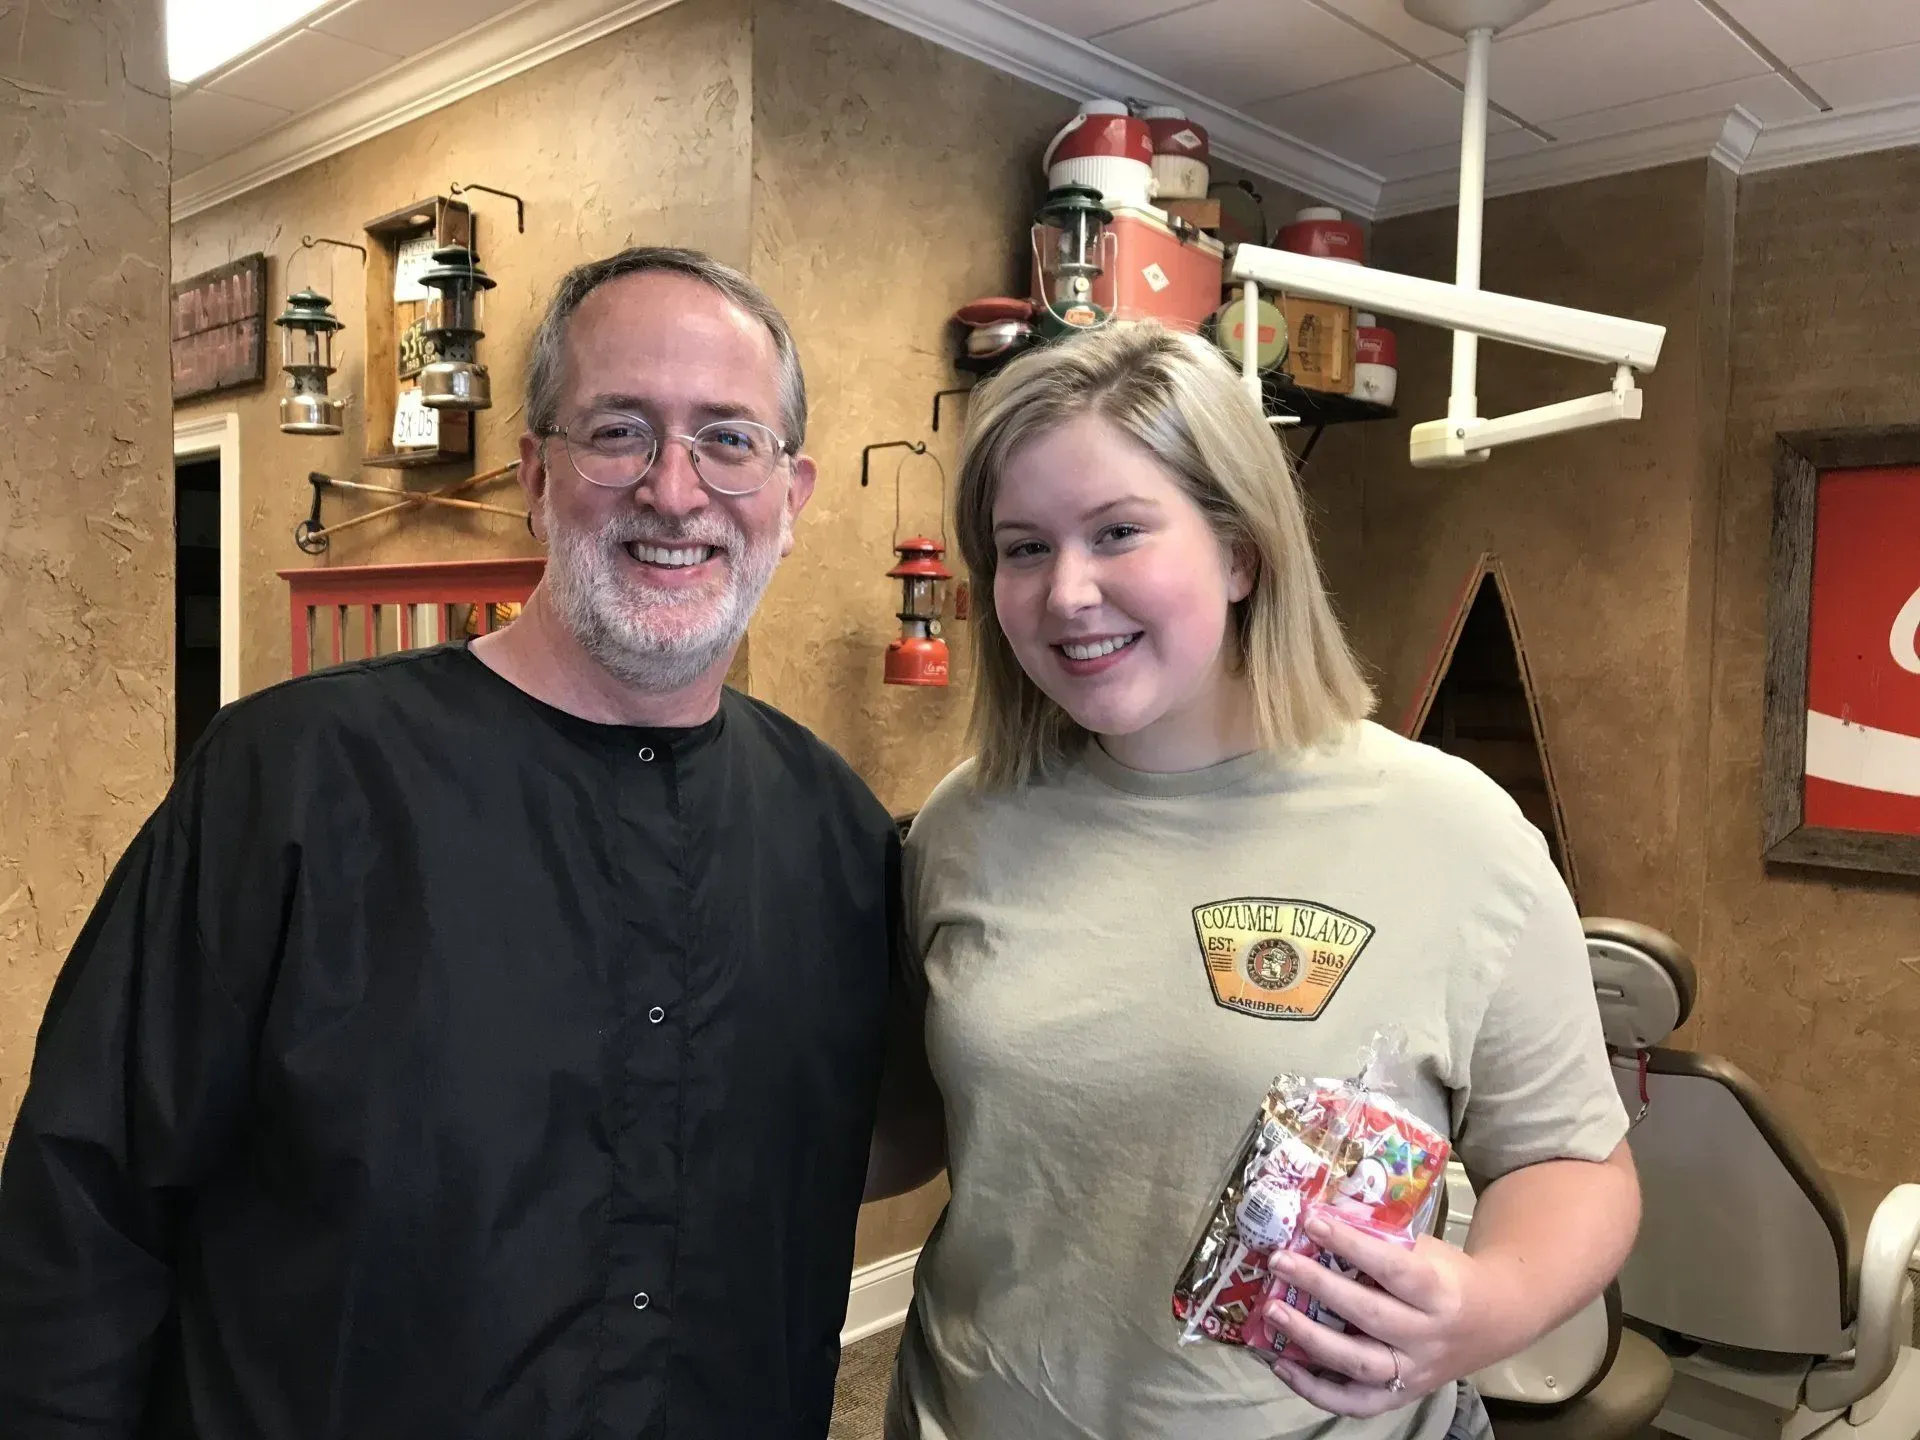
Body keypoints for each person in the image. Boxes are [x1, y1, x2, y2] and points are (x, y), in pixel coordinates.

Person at [0, 247, 901, 1439]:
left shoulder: (835, 833)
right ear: (536, 475)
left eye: (730, 440)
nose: (674, 491)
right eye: (618, 430)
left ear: (792, 498)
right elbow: (85, 1208)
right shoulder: (295, 779)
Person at [867, 323, 1642, 1440]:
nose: (1068, 592)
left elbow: (1574, 1165)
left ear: (1242, 553)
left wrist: (1483, 1307)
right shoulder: (965, 822)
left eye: (1119, 531)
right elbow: (922, 1126)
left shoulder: (1454, 832)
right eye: (1024, 549)